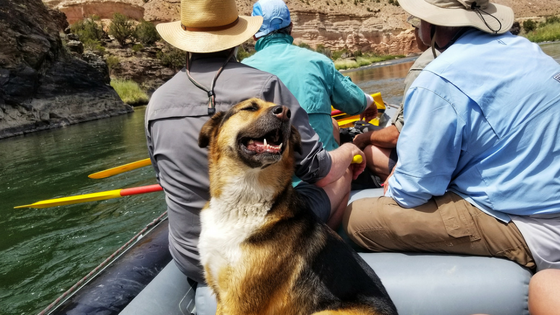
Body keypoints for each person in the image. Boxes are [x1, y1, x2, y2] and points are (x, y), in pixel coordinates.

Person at [145, 0, 365, 287]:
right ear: (237, 37)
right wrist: (349, 151)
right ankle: (315, 263)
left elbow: (163, 179)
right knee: (341, 175)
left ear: (185, 39)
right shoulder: (265, 88)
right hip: (256, 257)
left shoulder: (156, 102)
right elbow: (318, 171)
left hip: (193, 258)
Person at [344, 0, 560, 275]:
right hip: (540, 198)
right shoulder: (527, 49)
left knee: (357, 220)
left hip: (535, 227)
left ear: (432, 24)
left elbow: (413, 191)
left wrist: (397, 183)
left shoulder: (439, 77)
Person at [242, 0, 378, 154]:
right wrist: (369, 103)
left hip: (269, 174)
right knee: (336, 129)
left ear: (254, 35)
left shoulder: (242, 69)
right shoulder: (318, 61)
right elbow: (355, 103)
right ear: (291, 27)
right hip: (321, 170)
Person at [352, 16, 437, 184]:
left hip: (432, 164)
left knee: (368, 151)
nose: (414, 33)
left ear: (428, 29)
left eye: (415, 28)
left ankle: (393, 182)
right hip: (449, 155)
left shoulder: (421, 67)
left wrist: (363, 139)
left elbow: (397, 136)